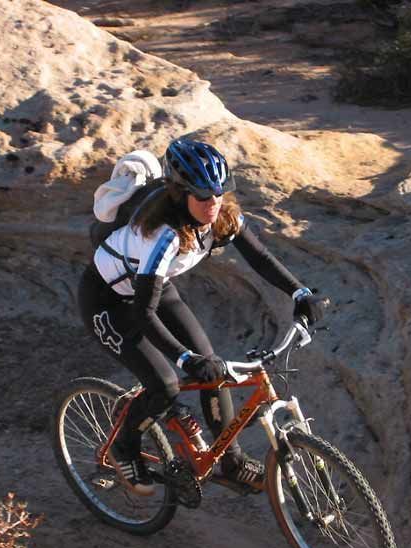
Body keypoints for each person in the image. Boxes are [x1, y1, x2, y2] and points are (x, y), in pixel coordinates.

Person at [78, 138, 326, 496]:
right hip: (107, 302)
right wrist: (183, 359)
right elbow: (144, 313)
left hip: (153, 290)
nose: (213, 204)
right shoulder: (161, 236)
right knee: (164, 383)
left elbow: (260, 258)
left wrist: (300, 293)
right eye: (203, 197)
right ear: (181, 195)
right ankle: (124, 448)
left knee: (214, 368)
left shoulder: (222, 215)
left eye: (219, 194)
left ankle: (232, 463)